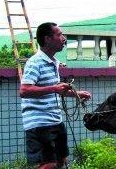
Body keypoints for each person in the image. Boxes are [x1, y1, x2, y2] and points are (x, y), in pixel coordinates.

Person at [20, 22, 91, 169]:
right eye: (59, 35)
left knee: (61, 161)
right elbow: (24, 90)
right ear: (47, 39)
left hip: (55, 120)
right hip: (40, 123)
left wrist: (77, 94)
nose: (63, 38)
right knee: (49, 165)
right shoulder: (35, 62)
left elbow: (55, 90)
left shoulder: (53, 62)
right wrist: (54, 88)